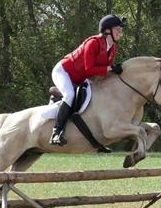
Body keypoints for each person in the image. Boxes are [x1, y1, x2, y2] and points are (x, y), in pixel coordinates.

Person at [50, 14, 126, 146]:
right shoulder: (93, 43)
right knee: (70, 95)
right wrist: (110, 68)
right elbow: (89, 69)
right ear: (107, 30)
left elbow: (102, 71)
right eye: (117, 28)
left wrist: (114, 72)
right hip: (64, 71)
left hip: (80, 77)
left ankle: (96, 141)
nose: (120, 31)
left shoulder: (112, 48)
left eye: (120, 29)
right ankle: (56, 132)